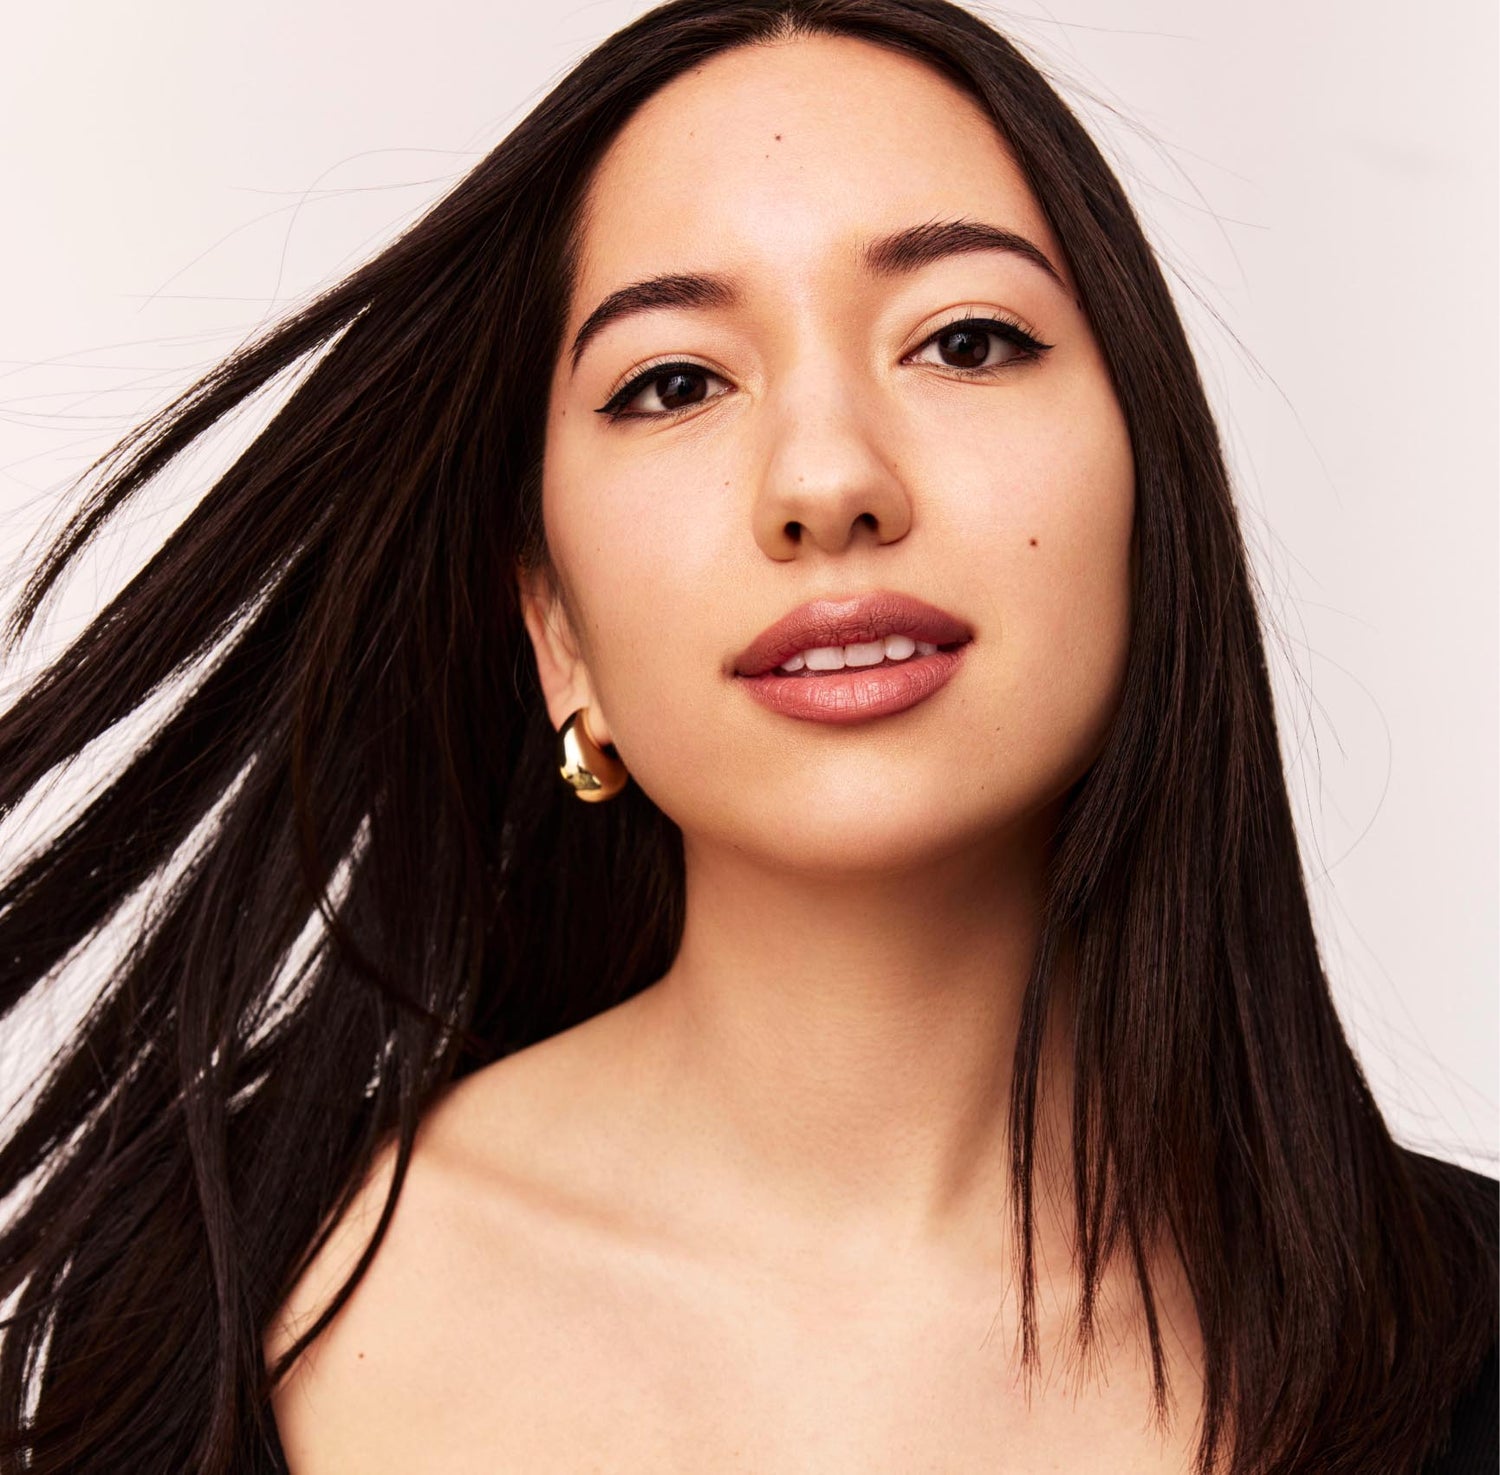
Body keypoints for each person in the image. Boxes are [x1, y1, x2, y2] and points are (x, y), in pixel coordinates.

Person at [0, 1, 1493, 1471]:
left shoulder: (1469, 1340)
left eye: (964, 341)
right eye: (674, 381)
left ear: (1155, 504)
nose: (829, 477)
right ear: (555, 630)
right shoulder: (215, 1305)